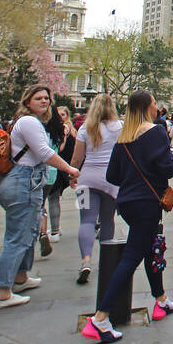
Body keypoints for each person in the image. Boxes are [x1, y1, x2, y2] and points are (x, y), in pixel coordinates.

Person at [82, 90, 173, 343]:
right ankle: (100, 318)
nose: (157, 108)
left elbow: (113, 175)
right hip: (148, 202)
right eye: (155, 104)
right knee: (132, 256)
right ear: (148, 107)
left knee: (151, 249)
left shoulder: (124, 137)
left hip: (127, 203)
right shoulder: (156, 132)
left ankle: (161, 299)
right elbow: (168, 168)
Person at [0, 85, 79, 309]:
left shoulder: (29, 122)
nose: (44, 102)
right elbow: (44, 152)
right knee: (18, 236)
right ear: (27, 101)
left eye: (46, 98)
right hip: (23, 180)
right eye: (38, 98)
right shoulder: (29, 122)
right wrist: (70, 169)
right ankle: (3, 291)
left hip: (27, 180)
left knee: (29, 230)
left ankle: (20, 277)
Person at [73, 93, 122, 285]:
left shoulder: (86, 128)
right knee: (108, 220)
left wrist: (73, 174)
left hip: (86, 179)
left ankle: (86, 260)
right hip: (110, 181)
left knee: (86, 221)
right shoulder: (119, 127)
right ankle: (107, 261)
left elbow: (77, 158)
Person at [43, 105, 77, 242]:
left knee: (50, 199)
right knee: (53, 198)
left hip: (56, 167)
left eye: (63, 114)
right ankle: (53, 229)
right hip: (61, 168)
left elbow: (59, 147)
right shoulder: (71, 129)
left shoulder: (63, 128)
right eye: (59, 114)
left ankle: (53, 231)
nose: (60, 117)